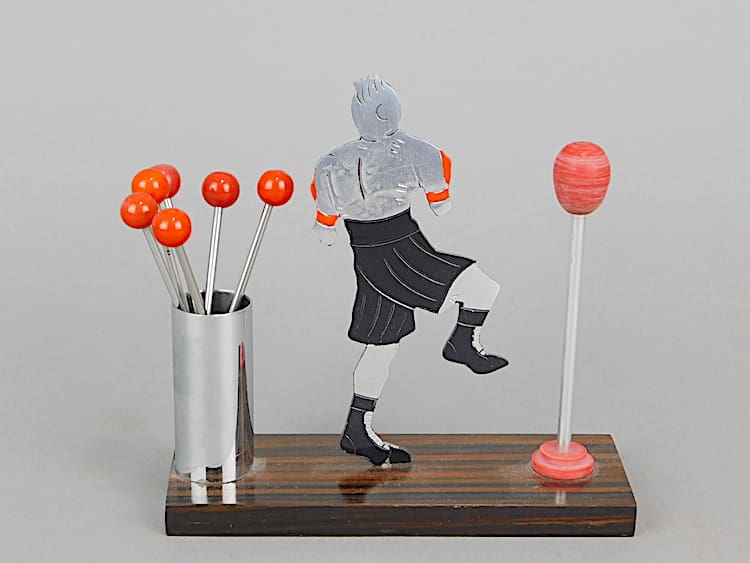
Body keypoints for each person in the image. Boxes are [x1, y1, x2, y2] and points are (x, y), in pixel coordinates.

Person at [312, 75, 508, 465]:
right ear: (389, 111)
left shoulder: (332, 163)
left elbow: (325, 223)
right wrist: (436, 194)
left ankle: (356, 428)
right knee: (482, 288)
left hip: (366, 251)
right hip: (398, 247)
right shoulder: (415, 151)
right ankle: (462, 343)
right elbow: (441, 202)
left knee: (381, 345)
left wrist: (329, 224)